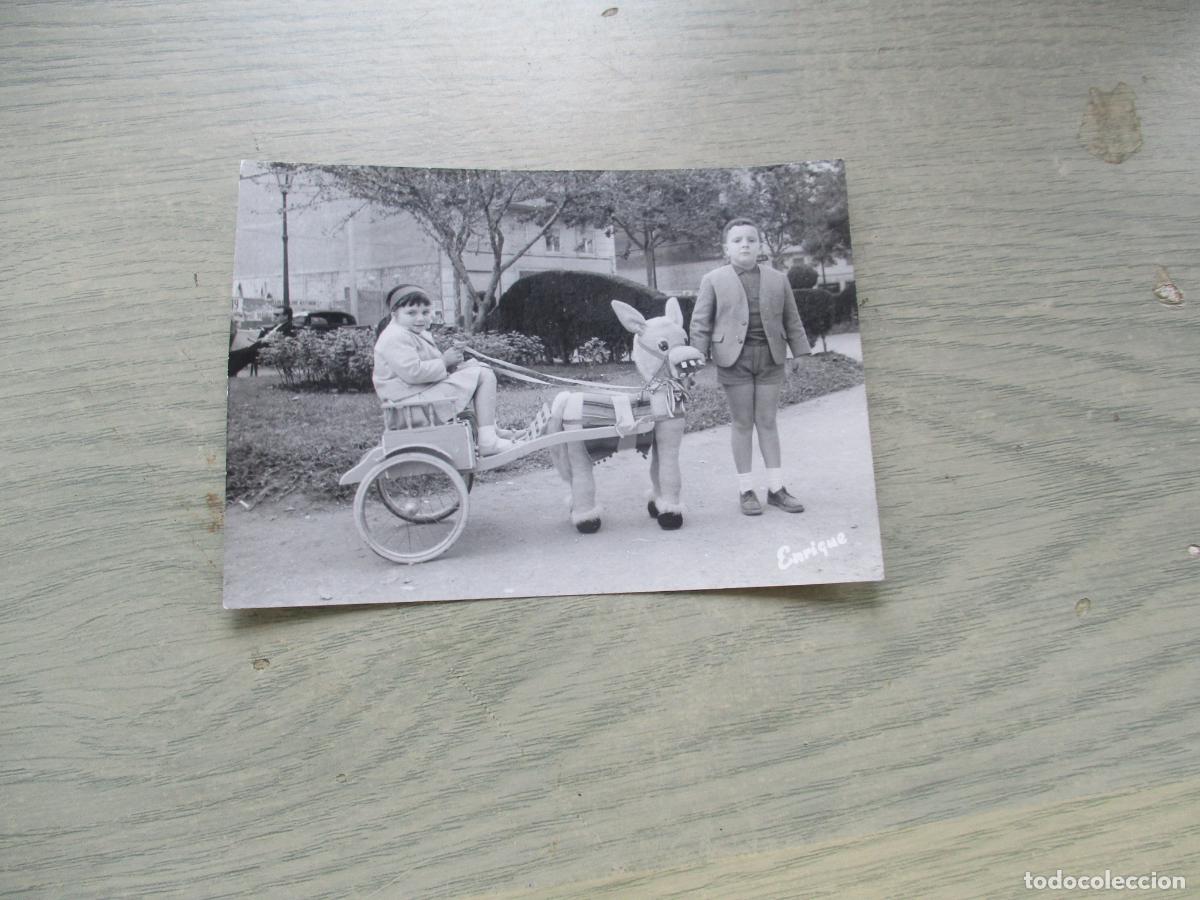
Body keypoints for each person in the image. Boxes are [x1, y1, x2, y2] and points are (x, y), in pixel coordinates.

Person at [689, 218, 811, 516]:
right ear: (726, 248)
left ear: (760, 246)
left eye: (751, 239)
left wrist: (801, 353)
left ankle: (777, 489)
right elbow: (700, 324)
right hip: (734, 361)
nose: (745, 244)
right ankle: (746, 491)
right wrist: (694, 360)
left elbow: (792, 319)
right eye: (737, 240)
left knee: (767, 421)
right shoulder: (713, 279)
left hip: (771, 358)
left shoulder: (778, 279)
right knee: (743, 423)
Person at [373, 285, 513, 455]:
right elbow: (413, 373)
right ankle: (488, 440)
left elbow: (427, 367)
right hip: (409, 407)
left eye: (425, 312)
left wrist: (453, 364)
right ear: (394, 314)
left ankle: (492, 431)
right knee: (483, 375)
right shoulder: (395, 336)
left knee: (479, 368)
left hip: (416, 399)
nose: (420, 318)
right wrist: (444, 361)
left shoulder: (411, 333)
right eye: (411, 313)